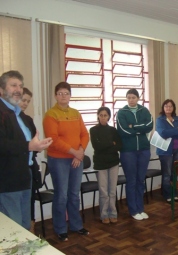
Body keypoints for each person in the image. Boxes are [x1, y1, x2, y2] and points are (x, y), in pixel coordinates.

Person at [0, 70, 52, 230]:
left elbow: (27, 144)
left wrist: (37, 145)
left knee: (25, 225)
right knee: (13, 229)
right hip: (7, 180)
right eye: (13, 85)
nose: (18, 89)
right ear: (1, 90)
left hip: (24, 175)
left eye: (20, 86)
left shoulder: (19, 115)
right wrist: (29, 146)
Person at [43, 81, 90, 241]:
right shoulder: (51, 115)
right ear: (56, 96)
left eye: (66, 93)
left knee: (74, 195)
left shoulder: (76, 113)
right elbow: (54, 140)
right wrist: (75, 153)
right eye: (60, 93)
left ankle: (76, 225)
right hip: (59, 160)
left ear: (70, 95)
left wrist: (81, 151)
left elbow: (84, 134)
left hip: (76, 159)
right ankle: (60, 228)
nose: (63, 96)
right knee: (61, 195)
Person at [116, 89, 153, 221]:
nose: (131, 100)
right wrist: (139, 129)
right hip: (128, 151)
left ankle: (140, 208)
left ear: (138, 98)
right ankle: (133, 210)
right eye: (129, 98)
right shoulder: (121, 112)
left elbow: (149, 125)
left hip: (143, 150)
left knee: (140, 180)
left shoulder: (144, 111)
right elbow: (123, 130)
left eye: (133, 97)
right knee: (131, 181)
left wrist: (134, 126)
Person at [90, 107, 122, 224]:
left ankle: (113, 213)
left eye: (105, 115)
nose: (103, 117)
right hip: (100, 164)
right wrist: (111, 144)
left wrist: (108, 145)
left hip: (113, 162)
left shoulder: (113, 130)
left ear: (109, 117)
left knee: (112, 191)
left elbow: (119, 146)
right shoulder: (93, 130)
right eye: (101, 115)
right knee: (104, 192)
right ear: (98, 116)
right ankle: (104, 215)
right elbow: (97, 147)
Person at [19, 87, 43, 233]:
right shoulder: (7, 119)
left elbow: (35, 143)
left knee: (30, 200)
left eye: (28, 101)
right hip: (15, 168)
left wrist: (40, 145)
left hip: (29, 166)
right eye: (23, 100)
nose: (25, 103)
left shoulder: (28, 120)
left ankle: (31, 229)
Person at [156, 99, 178, 204]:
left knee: (175, 172)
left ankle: (175, 194)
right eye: (166, 106)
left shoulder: (177, 118)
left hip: (176, 149)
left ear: (173, 108)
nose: (168, 108)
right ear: (163, 108)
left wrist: (175, 132)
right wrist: (176, 130)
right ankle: (167, 195)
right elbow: (163, 133)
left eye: (170, 106)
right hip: (165, 150)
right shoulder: (160, 119)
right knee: (167, 173)